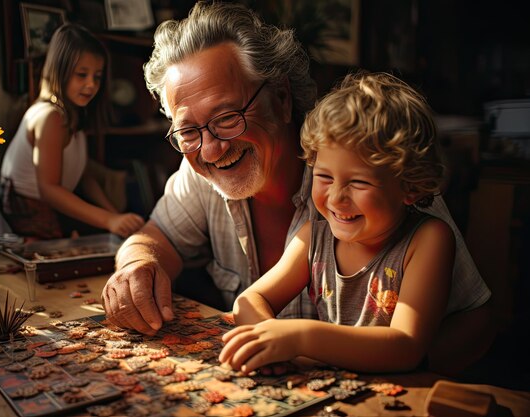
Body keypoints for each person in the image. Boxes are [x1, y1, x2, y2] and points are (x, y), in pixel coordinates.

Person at [101, 1, 494, 374]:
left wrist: (372, 372)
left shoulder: (384, 170)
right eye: (188, 130)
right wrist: (138, 264)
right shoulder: (204, 173)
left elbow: (474, 322)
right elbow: (155, 237)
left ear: (282, 98)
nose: (211, 148)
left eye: (228, 116)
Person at [219, 71, 481, 373]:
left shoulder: (429, 239)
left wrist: (300, 338)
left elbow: (405, 347)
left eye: (358, 182)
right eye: (324, 176)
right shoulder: (312, 237)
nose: (336, 198)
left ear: (410, 187)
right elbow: (251, 299)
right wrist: (269, 342)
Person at [0, 23, 144, 239]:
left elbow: (82, 174)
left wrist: (113, 214)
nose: (91, 85)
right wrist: (109, 220)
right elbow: (49, 189)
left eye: (97, 77)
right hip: (27, 215)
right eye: (81, 75)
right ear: (60, 71)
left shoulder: (72, 114)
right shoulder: (50, 116)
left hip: (50, 209)